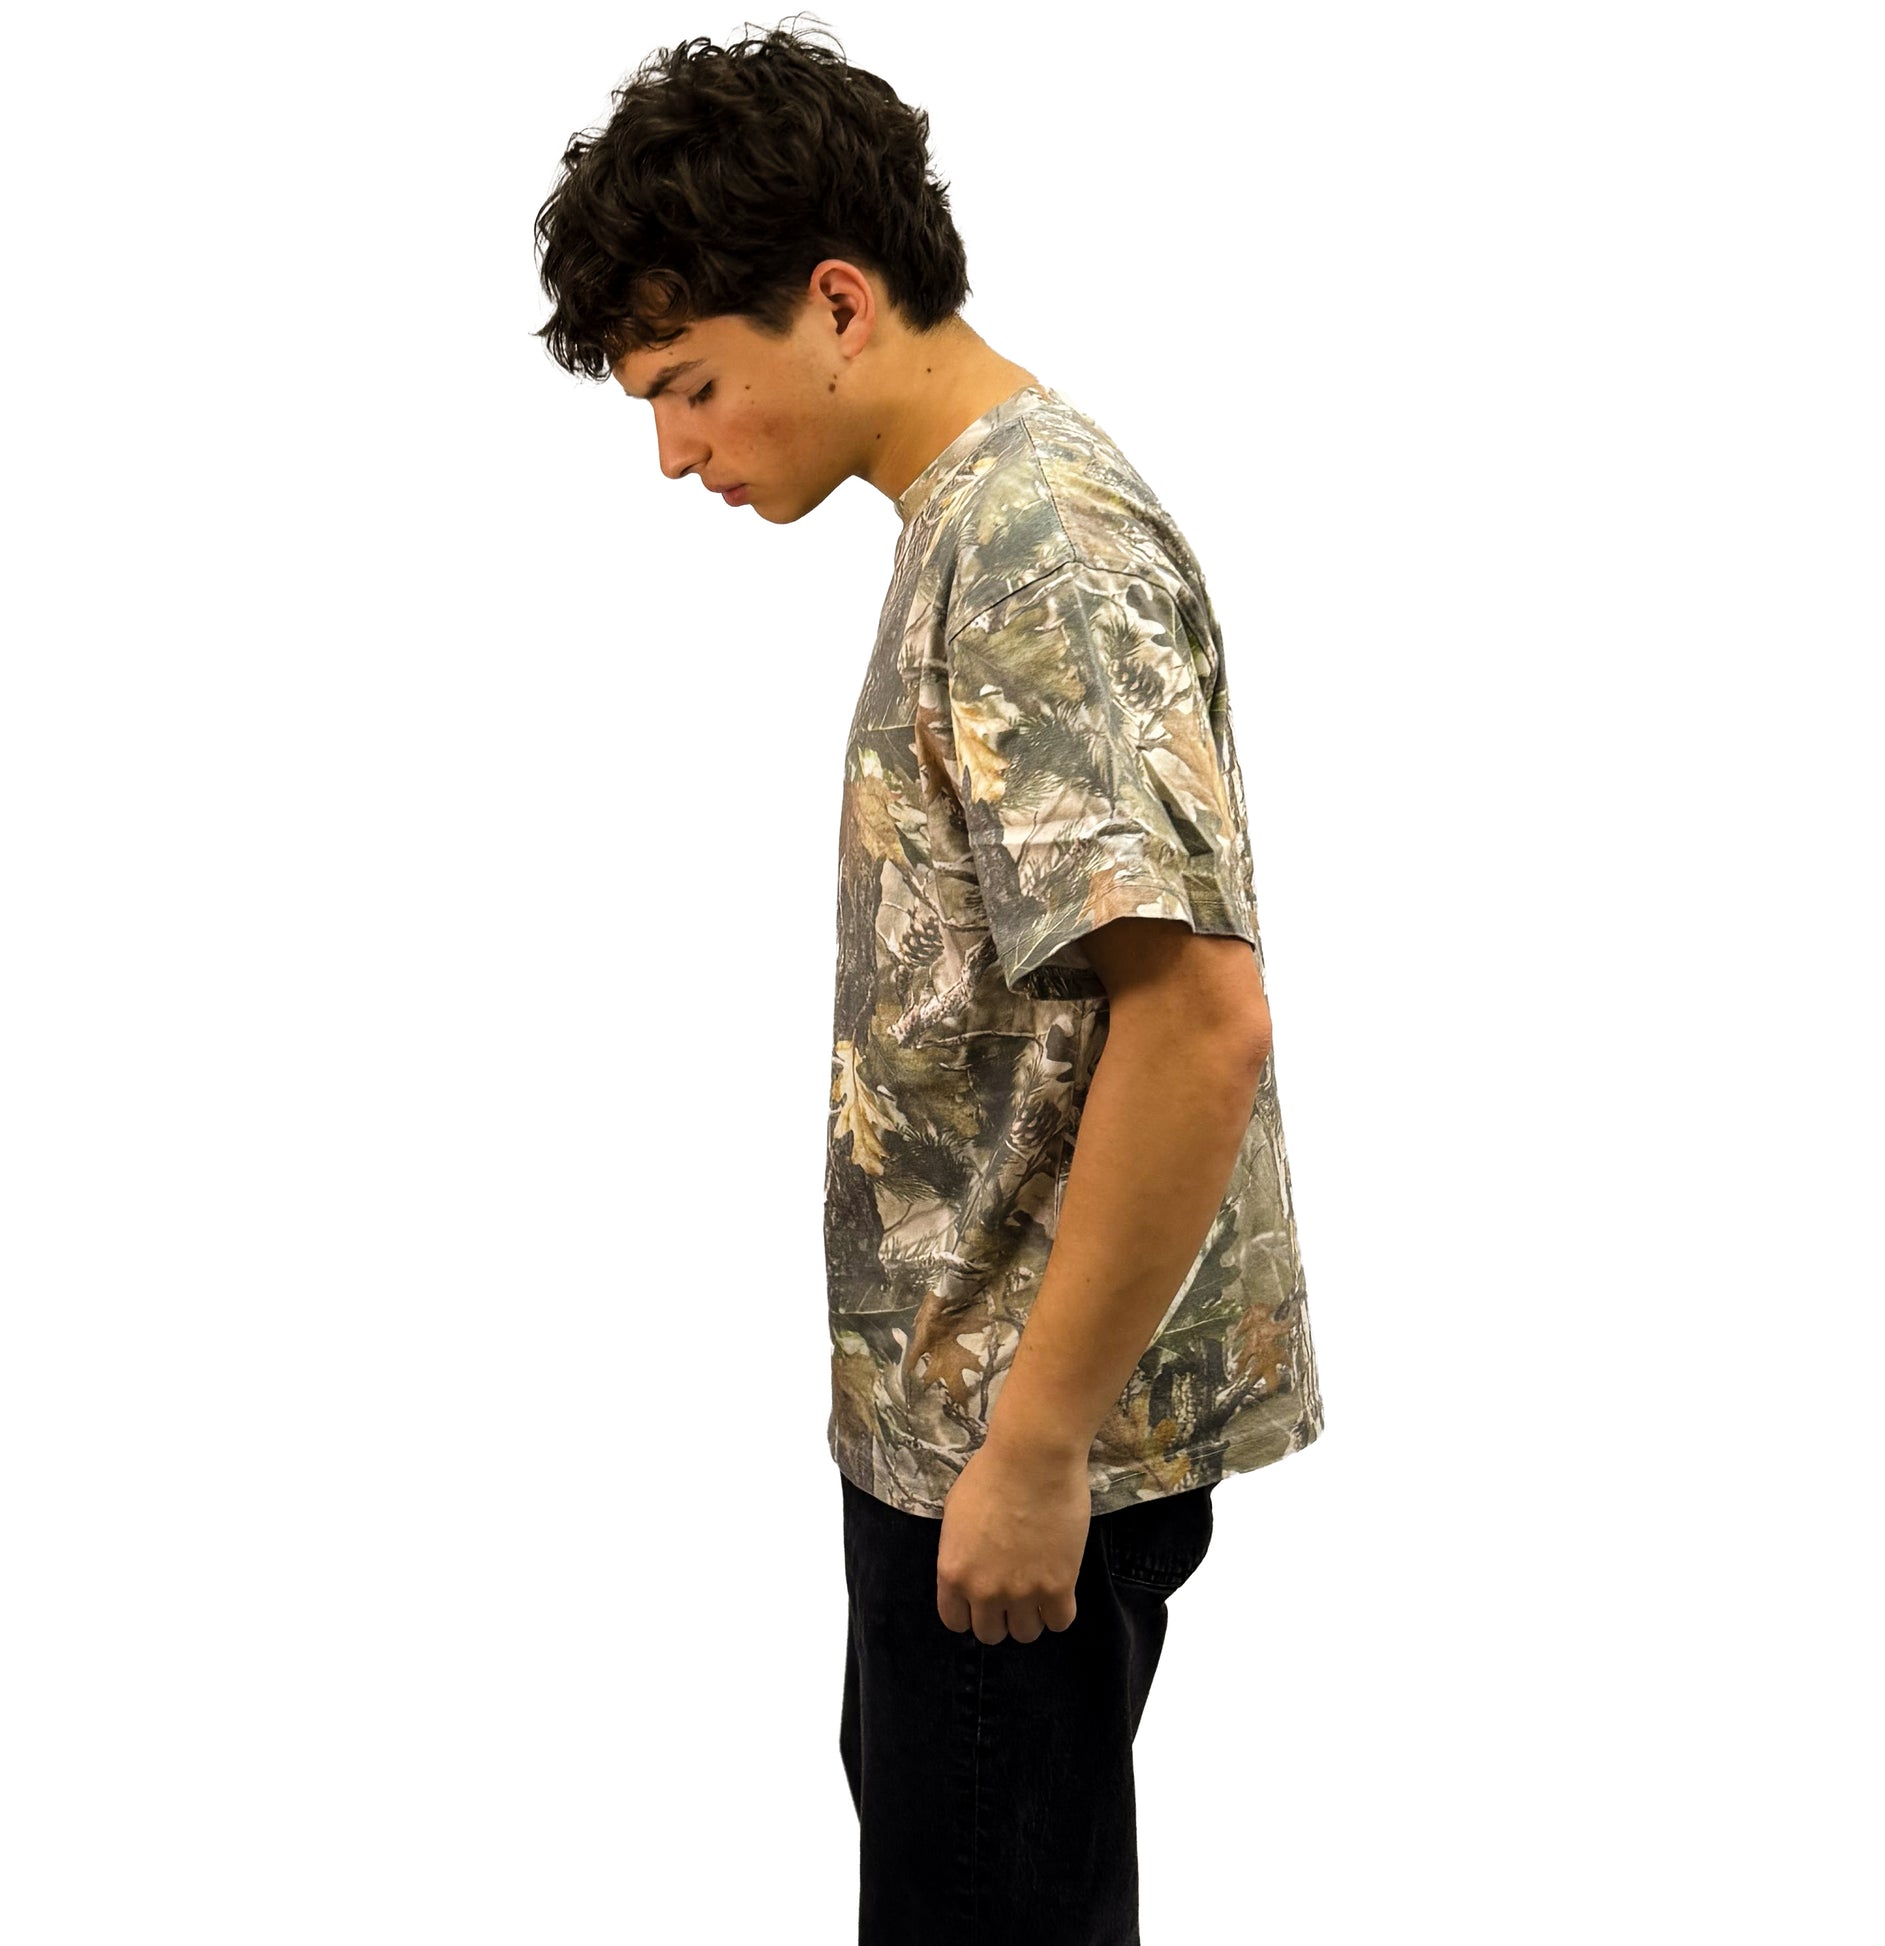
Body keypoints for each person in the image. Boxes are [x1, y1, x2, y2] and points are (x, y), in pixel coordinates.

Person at [533, 23, 1324, 1942]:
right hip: (958, 1431)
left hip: (1010, 1451)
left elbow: (1197, 1018)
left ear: (836, 301)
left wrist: (1035, 1448)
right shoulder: (969, 519)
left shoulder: (1036, 542)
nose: (675, 453)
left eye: (689, 385)